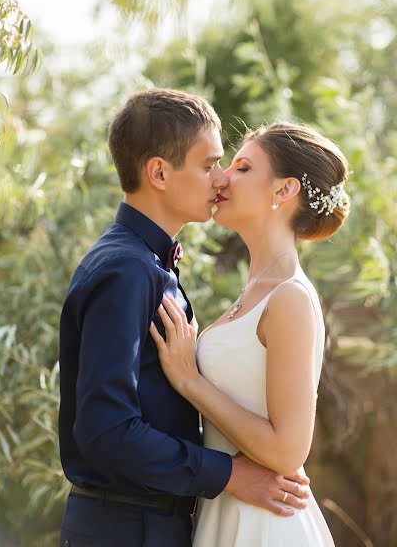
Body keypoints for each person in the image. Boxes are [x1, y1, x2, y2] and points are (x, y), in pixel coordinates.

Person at [58, 91, 310, 547]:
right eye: (210, 164)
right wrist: (229, 474)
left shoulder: (151, 267)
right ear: (158, 173)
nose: (222, 179)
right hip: (125, 529)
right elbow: (106, 430)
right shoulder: (126, 272)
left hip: (158, 523)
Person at [149, 121, 350, 546]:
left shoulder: (290, 297)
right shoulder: (255, 294)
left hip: (265, 525)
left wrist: (189, 381)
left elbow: (287, 451)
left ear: (283, 191)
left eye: (242, 168)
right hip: (228, 510)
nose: (222, 178)